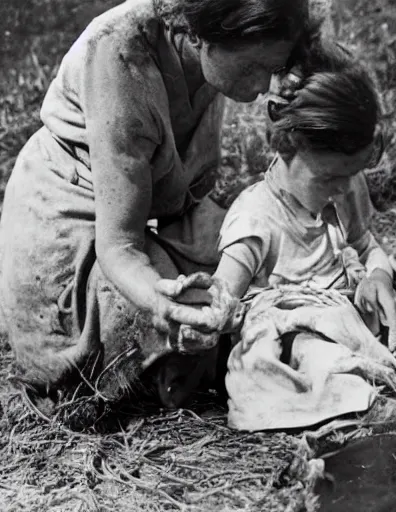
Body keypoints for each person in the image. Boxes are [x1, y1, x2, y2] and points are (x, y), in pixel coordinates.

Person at [0, 0, 314, 420]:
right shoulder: (120, 55)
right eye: (253, 68)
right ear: (203, 32)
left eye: (272, 69)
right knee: (173, 313)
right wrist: (159, 305)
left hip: (153, 214)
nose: (261, 85)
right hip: (68, 224)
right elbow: (120, 247)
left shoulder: (216, 48)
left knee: (270, 252)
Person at [211, 38, 396, 349]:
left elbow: (366, 246)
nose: (345, 188)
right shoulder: (256, 221)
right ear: (286, 147)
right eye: (329, 178)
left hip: (350, 332)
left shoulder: (339, 194)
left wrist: (378, 277)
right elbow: (220, 303)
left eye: (351, 175)